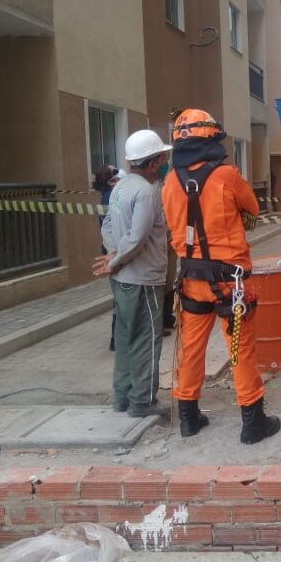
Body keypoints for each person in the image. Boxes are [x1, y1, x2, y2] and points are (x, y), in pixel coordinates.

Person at [162, 108, 280, 444]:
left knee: (191, 348)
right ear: (212, 138)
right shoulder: (227, 176)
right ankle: (252, 421)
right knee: (240, 350)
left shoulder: (170, 181)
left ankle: (188, 416)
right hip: (231, 283)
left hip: (191, 280)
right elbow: (253, 210)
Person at [94, 131, 171, 417]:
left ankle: (122, 397)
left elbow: (109, 225)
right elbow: (138, 237)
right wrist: (116, 260)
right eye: (162, 158)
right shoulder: (146, 192)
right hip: (143, 279)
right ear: (152, 164)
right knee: (146, 340)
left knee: (126, 337)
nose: (165, 163)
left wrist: (113, 254)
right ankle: (143, 401)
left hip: (123, 280)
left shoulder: (121, 187)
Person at [92, 164, 124, 351]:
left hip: (115, 250)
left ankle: (117, 338)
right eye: (115, 172)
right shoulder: (110, 197)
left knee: (119, 296)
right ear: (109, 179)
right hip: (114, 251)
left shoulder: (111, 195)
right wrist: (116, 254)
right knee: (120, 297)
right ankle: (117, 338)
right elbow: (111, 227)